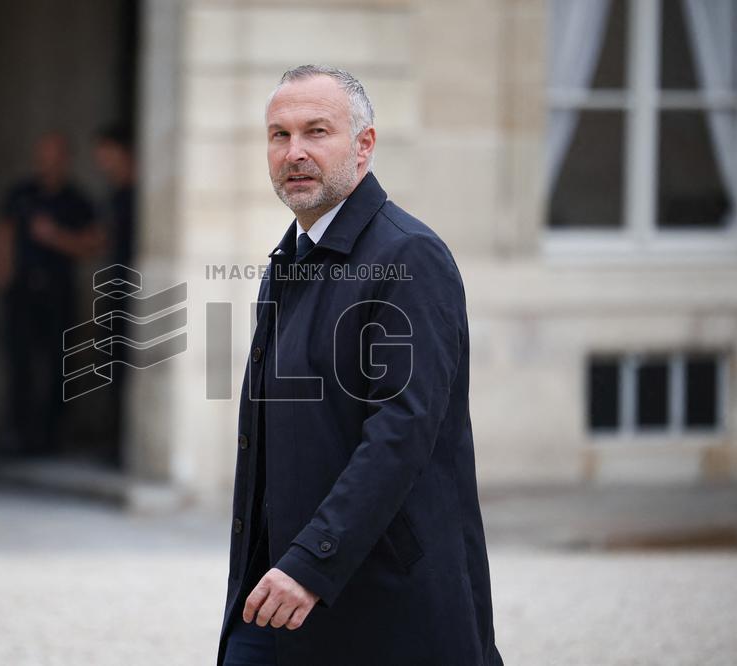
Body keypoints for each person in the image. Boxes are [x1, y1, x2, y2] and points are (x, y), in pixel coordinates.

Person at [218, 66, 504, 665]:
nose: (294, 152)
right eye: (278, 135)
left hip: (379, 608)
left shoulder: (409, 256)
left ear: (364, 145)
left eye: (316, 131)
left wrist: (311, 563)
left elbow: (400, 433)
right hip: (275, 597)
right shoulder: (288, 261)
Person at [0, 132, 104, 456]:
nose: (47, 162)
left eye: (54, 155)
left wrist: (55, 237)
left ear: (65, 159)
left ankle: (50, 436)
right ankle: (17, 434)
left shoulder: (77, 199)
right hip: (23, 292)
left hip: (58, 293)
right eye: (43, 155)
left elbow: (94, 243)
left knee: (59, 365)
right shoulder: (21, 194)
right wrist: (4, 281)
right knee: (20, 364)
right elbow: (3, 236)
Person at [93, 124, 136, 465]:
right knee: (110, 366)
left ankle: (124, 446)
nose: (102, 162)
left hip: (134, 296)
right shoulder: (117, 195)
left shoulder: (139, 195)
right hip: (114, 292)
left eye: (107, 154)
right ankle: (113, 442)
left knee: (123, 368)